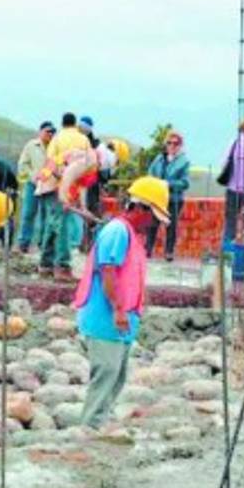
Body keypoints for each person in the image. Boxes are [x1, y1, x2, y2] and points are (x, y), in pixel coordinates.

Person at [75, 176, 170, 431]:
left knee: (116, 377)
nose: (153, 224)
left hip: (121, 323)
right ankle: (88, 430)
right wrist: (118, 309)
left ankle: (98, 425)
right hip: (106, 320)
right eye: (153, 217)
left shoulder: (131, 234)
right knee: (105, 374)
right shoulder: (117, 231)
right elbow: (108, 272)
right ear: (140, 208)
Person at [40, 112, 90, 279]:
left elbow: (49, 161)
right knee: (61, 224)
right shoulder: (83, 140)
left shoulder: (57, 138)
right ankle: (62, 266)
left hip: (50, 182)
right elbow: (84, 167)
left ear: (62, 124)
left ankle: (46, 264)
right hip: (60, 183)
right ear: (75, 124)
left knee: (53, 222)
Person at [145, 130, 190, 261]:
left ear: (180, 145)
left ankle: (169, 252)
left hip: (173, 199)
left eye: (175, 143)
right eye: (169, 143)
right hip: (157, 197)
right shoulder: (159, 159)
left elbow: (185, 183)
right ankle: (148, 249)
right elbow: (150, 173)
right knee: (152, 224)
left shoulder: (184, 162)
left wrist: (168, 184)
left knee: (171, 226)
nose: (171, 146)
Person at [218, 119, 244, 243]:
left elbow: (224, 164)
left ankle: (228, 252)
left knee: (230, 222)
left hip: (233, 189)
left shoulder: (234, 143)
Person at [16, 121, 55, 253]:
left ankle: (42, 244)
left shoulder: (55, 147)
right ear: (41, 132)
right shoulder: (31, 146)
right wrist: (33, 175)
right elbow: (23, 164)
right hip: (33, 185)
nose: (50, 134)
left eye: (52, 132)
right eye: (47, 131)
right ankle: (23, 243)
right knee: (28, 213)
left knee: (46, 215)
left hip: (49, 186)